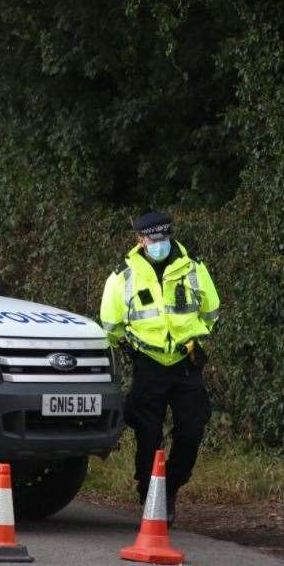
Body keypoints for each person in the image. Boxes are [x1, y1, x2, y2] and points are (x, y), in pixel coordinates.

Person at [99, 210, 220, 526]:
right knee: (147, 433)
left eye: (163, 238)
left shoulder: (193, 268)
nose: (159, 244)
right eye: (153, 240)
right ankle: (150, 493)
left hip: (185, 362)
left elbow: (211, 311)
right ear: (140, 240)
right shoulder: (123, 275)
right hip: (148, 364)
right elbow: (110, 324)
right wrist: (128, 346)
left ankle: (171, 487)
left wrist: (193, 338)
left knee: (191, 430)